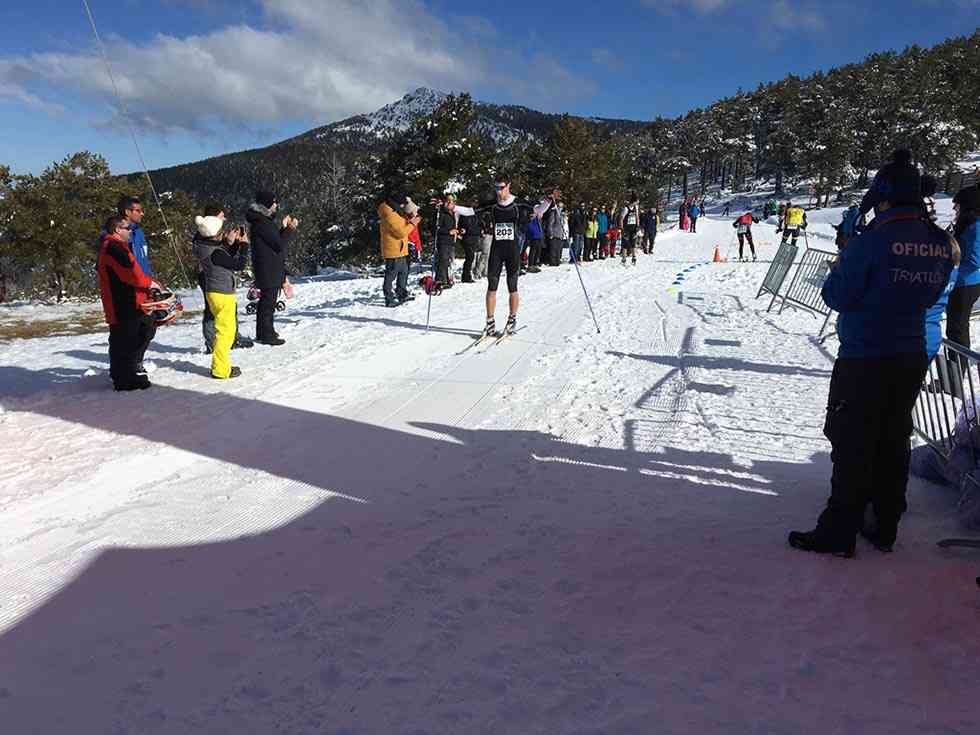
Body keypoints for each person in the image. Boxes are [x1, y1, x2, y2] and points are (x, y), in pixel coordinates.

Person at [788, 162, 958, 557]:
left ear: (882, 197)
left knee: (852, 440)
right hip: (912, 351)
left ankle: (839, 529)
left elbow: (836, 295)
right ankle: (884, 523)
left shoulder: (873, 240)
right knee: (893, 436)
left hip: (865, 353)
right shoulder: (939, 239)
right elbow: (934, 293)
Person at [446, 175, 555, 338]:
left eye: (501, 187)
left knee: (513, 286)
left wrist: (548, 200)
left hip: (512, 250)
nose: (498, 191)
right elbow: (470, 211)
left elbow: (538, 210)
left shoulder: (518, 202)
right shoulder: (493, 203)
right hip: (497, 250)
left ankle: (512, 320)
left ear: (508, 186)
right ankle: (489, 322)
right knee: (492, 286)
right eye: (496, 188)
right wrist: (453, 207)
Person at [97, 214, 156, 391]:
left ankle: (125, 374)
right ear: (117, 230)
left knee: (131, 335)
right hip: (122, 302)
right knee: (124, 339)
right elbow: (131, 274)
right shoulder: (114, 248)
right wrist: (149, 283)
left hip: (125, 300)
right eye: (127, 228)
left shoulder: (115, 246)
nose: (130, 232)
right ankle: (124, 379)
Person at [193, 213, 249, 379]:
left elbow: (224, 259)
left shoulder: (203, 246)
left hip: (213, 291)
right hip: (222, 293)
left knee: (223, 331)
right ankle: (220, 369)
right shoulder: (215, 252)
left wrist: (232, 244)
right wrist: (245, 245)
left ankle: (222, 364)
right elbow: (239, 264)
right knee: (226, 333)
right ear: (215, 234)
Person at [247, 190, 297, 345]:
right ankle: (265, 334)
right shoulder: (262, 223)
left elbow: (274, 241)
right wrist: (289, 229)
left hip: (268, 267)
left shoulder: (263, 221)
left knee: (268, 302)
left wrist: (283, 229)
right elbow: (279, 244)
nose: (276, 205)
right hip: (267, 268)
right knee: (268, 303)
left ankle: (265, 331)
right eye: (274, 202)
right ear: (267, 205)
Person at [118, 196, 155, 373]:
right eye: (138, 210)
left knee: (149, 328)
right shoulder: (118, 234)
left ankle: (136, 360)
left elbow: (143, 259)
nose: (142, 213)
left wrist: (151, 280)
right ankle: (127, 367)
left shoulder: (139, 232)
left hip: (145, 286)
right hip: (129, 290)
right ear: (127, 212)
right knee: (132, 329)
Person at [945, 184, 980, 355]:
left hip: (966, 284)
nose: (954, 208)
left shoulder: (975, 227)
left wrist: (952, 271)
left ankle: (955, 377)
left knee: (957, 331)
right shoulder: (966, 225)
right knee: (954, 330)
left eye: (957, 205)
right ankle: (954, 375)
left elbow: (974, 260)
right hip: (960, 283)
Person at [378, 195, 420, 307]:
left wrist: (410, 221)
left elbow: (402, 225)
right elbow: (400, 232)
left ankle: (402, 294)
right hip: (393, 251)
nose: (403, 206)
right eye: (402, 204)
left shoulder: (395, 212)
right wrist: (413, 223)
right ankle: (389, 298)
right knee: (390, 276)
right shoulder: (389, 215)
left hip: (401, 250)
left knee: (403, 273)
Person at [458, 200, 481, 283]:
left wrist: (480, 231)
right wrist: (461, 230)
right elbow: (460, 225)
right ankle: (466, 276)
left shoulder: (477, 214)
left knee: (471, 258)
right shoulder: (464, 214)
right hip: (467, 238)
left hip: (475, 237)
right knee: (470, 257)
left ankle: (467, 275)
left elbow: (479, 224)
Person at [621, 193, 641, 266]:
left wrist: (638, 226)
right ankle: (623, 259)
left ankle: (634, 257)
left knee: (633, 244)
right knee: (625, 245)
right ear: (633, 201)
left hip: (634, 228)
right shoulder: (626, 209)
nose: (637, 202)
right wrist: (622, 229)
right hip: (626, 229)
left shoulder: (636, 207)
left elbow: (637, 217)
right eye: (636, 201)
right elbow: (621, 219)